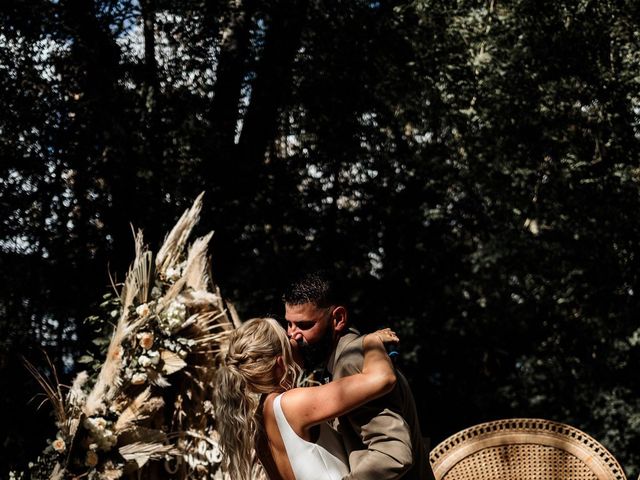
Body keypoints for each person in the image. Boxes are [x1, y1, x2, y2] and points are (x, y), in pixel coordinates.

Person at [283, 271, 435, 480]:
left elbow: (393, 455)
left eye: (304, 325)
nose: (293, 335)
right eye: (289, 324)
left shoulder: (351, 362)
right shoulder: (349, 358)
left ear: (338, 318)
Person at [213, 317, 400, 480]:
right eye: (287, 339)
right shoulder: (289, 404)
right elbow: (383, 379)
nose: (294, 338)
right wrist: (370, 341)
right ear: (280, 362)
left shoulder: (259, 422)